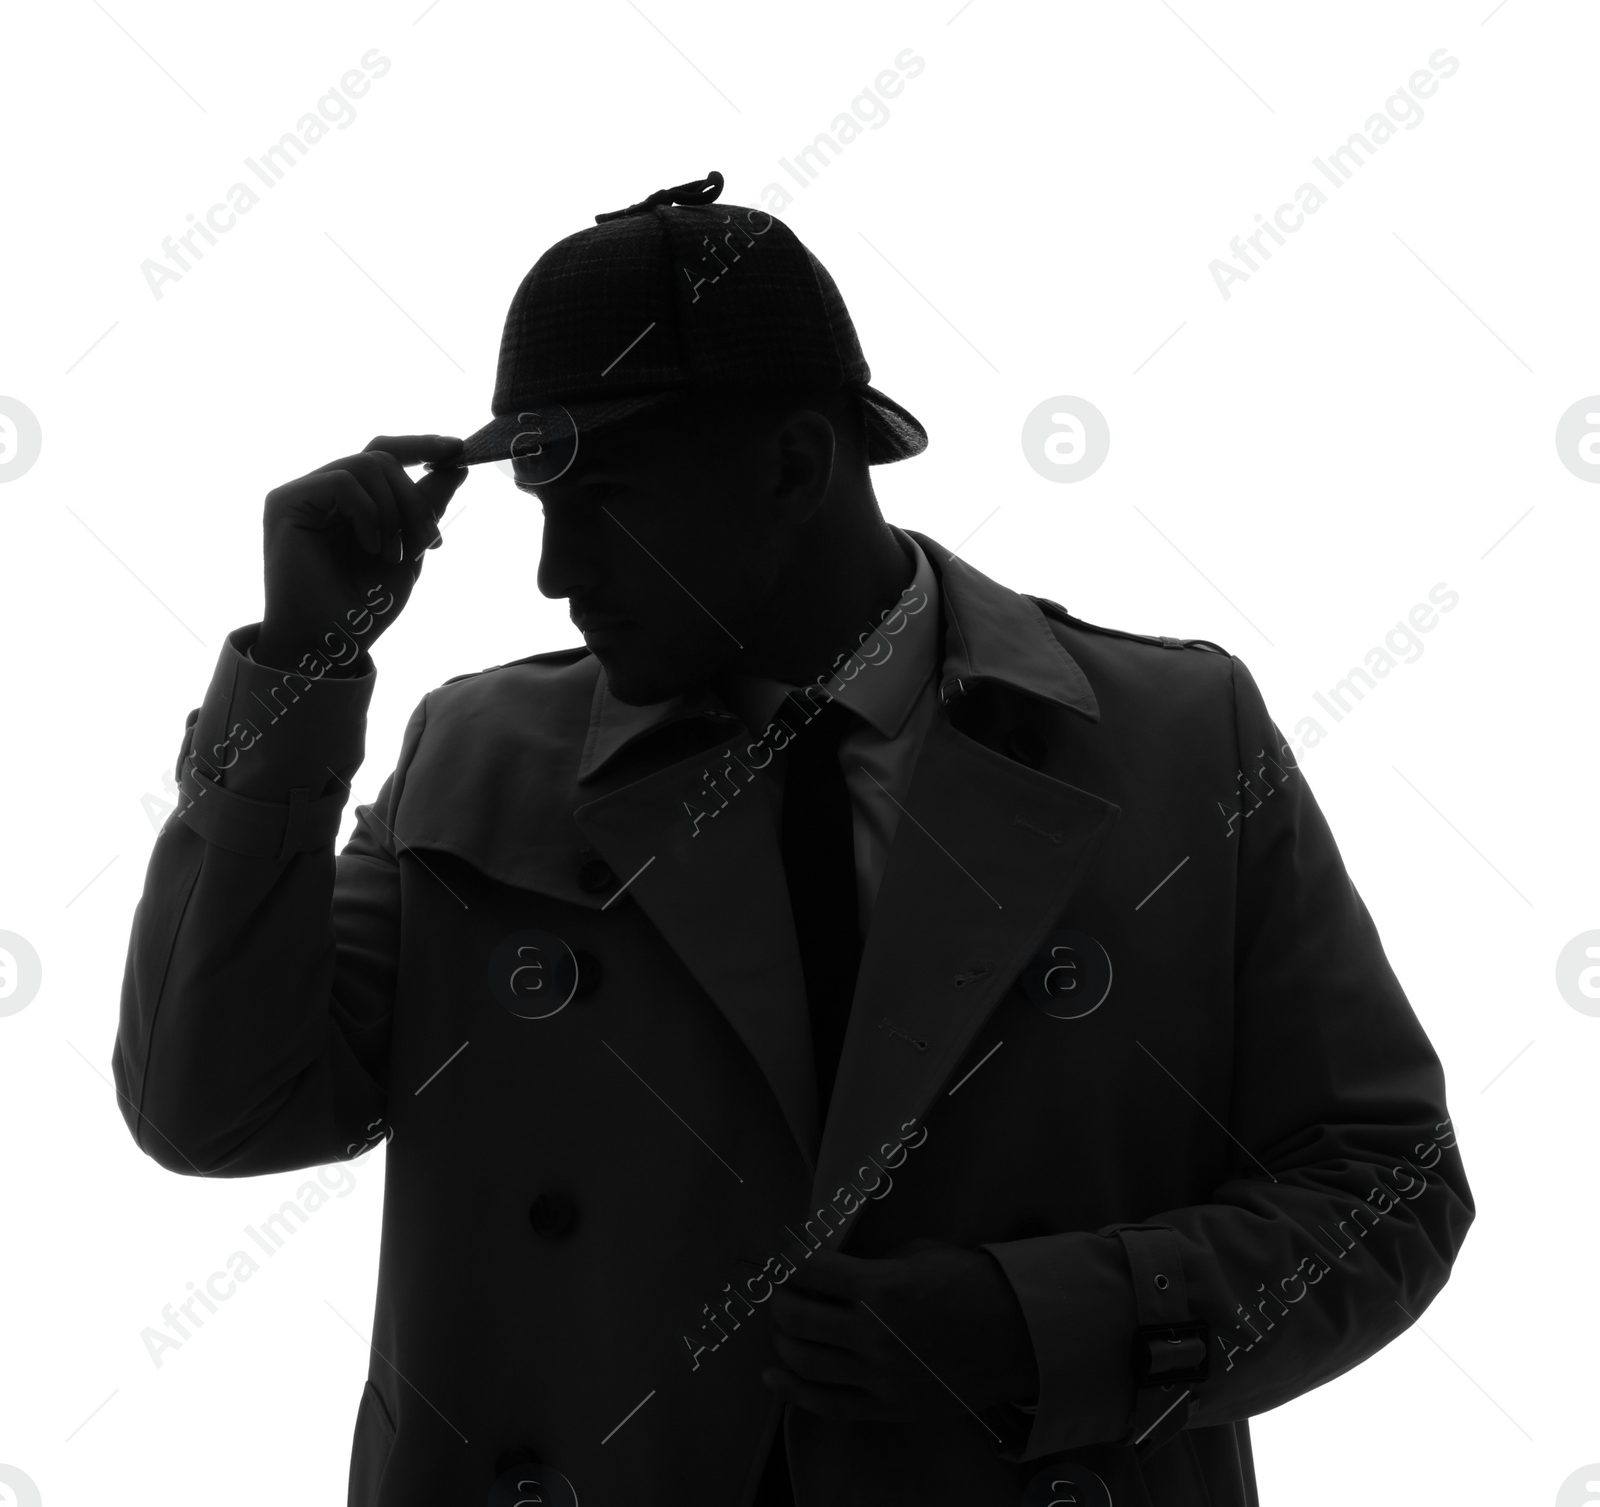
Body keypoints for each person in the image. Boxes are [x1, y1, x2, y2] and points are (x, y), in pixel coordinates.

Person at [114, 171, 1473, 1507]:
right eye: (541, 509)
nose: (554, 573)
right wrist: (295, 679)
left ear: (792, 467)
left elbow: (1386, 1187)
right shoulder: (478, 757)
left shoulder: (1174, 741)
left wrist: (1039, 1327)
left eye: (608, 503)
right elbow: (212, 1106)